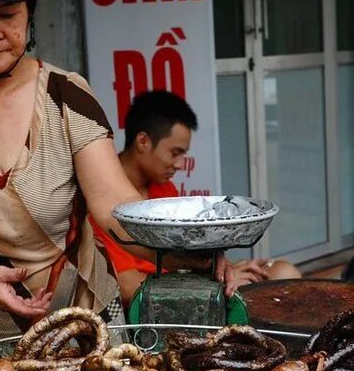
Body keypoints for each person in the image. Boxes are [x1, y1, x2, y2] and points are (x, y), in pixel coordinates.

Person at [0, 0, 232, 358]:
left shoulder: (67, 95)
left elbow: (115, 206)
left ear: (29, 15)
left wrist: (190, 251)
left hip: (84, 326)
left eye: (7, 14)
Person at [90, 90, 301, 308]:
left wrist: (226, 270)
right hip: (158, 303)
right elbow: (125, 285)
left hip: (190, 280)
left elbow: (185, 255)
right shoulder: (102, 202)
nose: (181, 164)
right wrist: (211, 282)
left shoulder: (165, 189)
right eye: (175, 153)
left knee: (283, 271)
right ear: (143, 141)